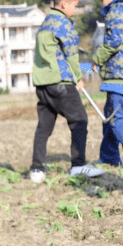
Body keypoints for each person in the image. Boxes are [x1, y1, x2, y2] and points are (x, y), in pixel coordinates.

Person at [30, 0, 105, 183]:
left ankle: (36, 169)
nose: (75, 9)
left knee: (44, 127)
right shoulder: (64, 24)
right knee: (80, 121)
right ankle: (78, 166)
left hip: (42, 84)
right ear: (63, 4)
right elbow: (72, 56)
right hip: (61, 81)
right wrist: (78, 78)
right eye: (74, 5)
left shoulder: (45, 23)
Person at [93, 0, 123, 166]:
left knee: (116, 119)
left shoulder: (117, 9)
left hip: (118, 76)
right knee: (109, 117)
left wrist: (97, 59)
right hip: (117, 77)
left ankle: (109, 159)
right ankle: (109, 159)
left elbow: (114, 40)